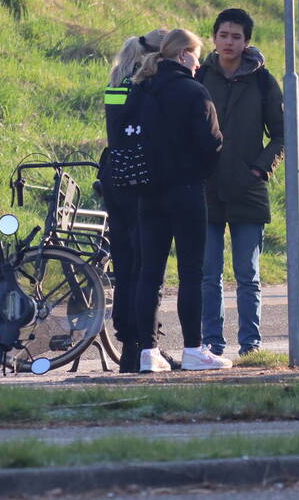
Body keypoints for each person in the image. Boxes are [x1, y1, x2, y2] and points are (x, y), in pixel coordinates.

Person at [130, 29, 229, 372]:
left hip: (148, 192)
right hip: (185, 191)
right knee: (190, 272)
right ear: (184, 54)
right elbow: (212, 142)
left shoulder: (142, 88)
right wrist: (199, 171)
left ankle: (148, 352)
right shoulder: (194, 91)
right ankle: (193, 349)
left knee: (150, 274)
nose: (199, 62)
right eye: (197, 54)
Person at [196, 8, 284, 357]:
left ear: (247, 42)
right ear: (214, 37)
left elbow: (281, 135)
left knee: (248, 275)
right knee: (208, 274)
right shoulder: (199, 76)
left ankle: (251, 346)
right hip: (206, 188)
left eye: (236, 36)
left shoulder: (263, 81)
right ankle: (211, 344)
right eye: (223, 35)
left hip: (248, 188)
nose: (228, 41)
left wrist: (260, 169)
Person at [101, 28, 168, 373]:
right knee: (147, 267)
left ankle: (128, 340)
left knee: (125, 266)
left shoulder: (116, 86)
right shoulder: (148, 90)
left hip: (115, 180)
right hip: (142, 184)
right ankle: (144, 342)